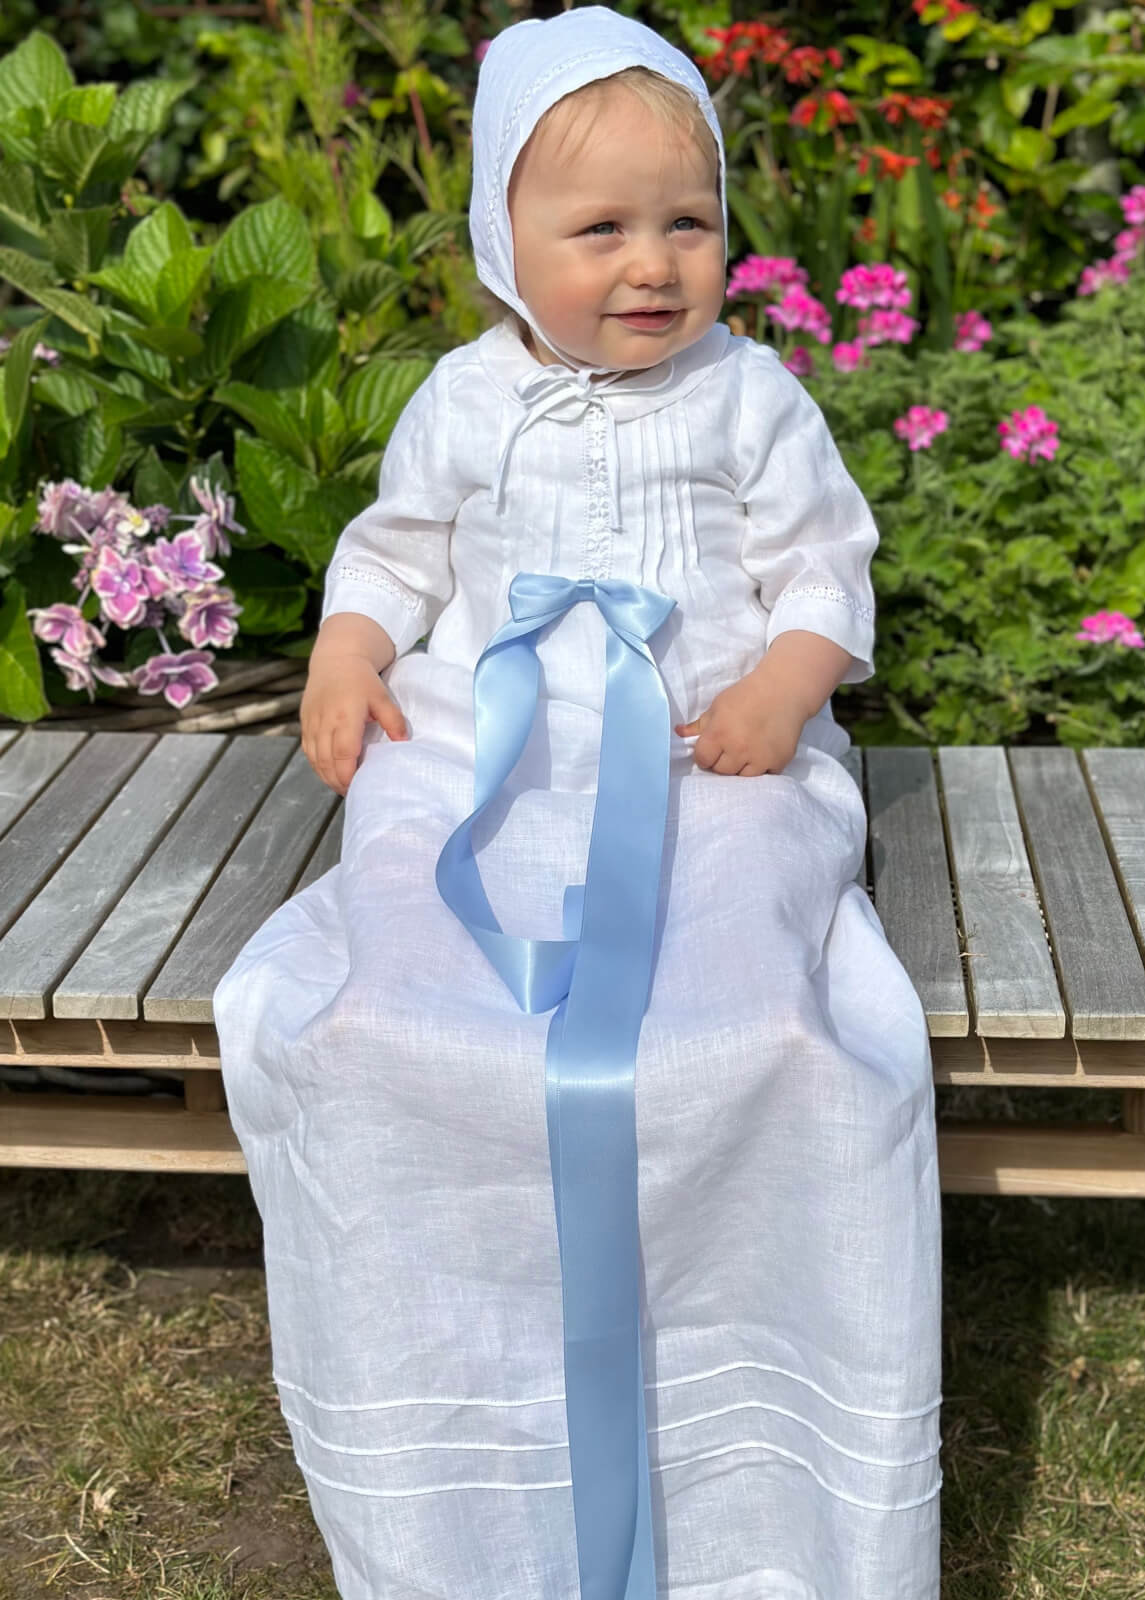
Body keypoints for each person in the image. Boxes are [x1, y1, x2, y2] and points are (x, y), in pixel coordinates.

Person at [212, 7, 944, 1597]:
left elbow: (825, 564)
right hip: (488, 747)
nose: (653, 266)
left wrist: (782, 687)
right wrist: (349, 655)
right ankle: (463, 1409)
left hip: (705, 754)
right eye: (600, 229)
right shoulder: (468, 400)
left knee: (761, 998)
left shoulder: (748, 395)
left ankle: (746, 1419)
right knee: (391, 988)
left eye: (689, 223)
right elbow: (396, 553)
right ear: (500, 236)